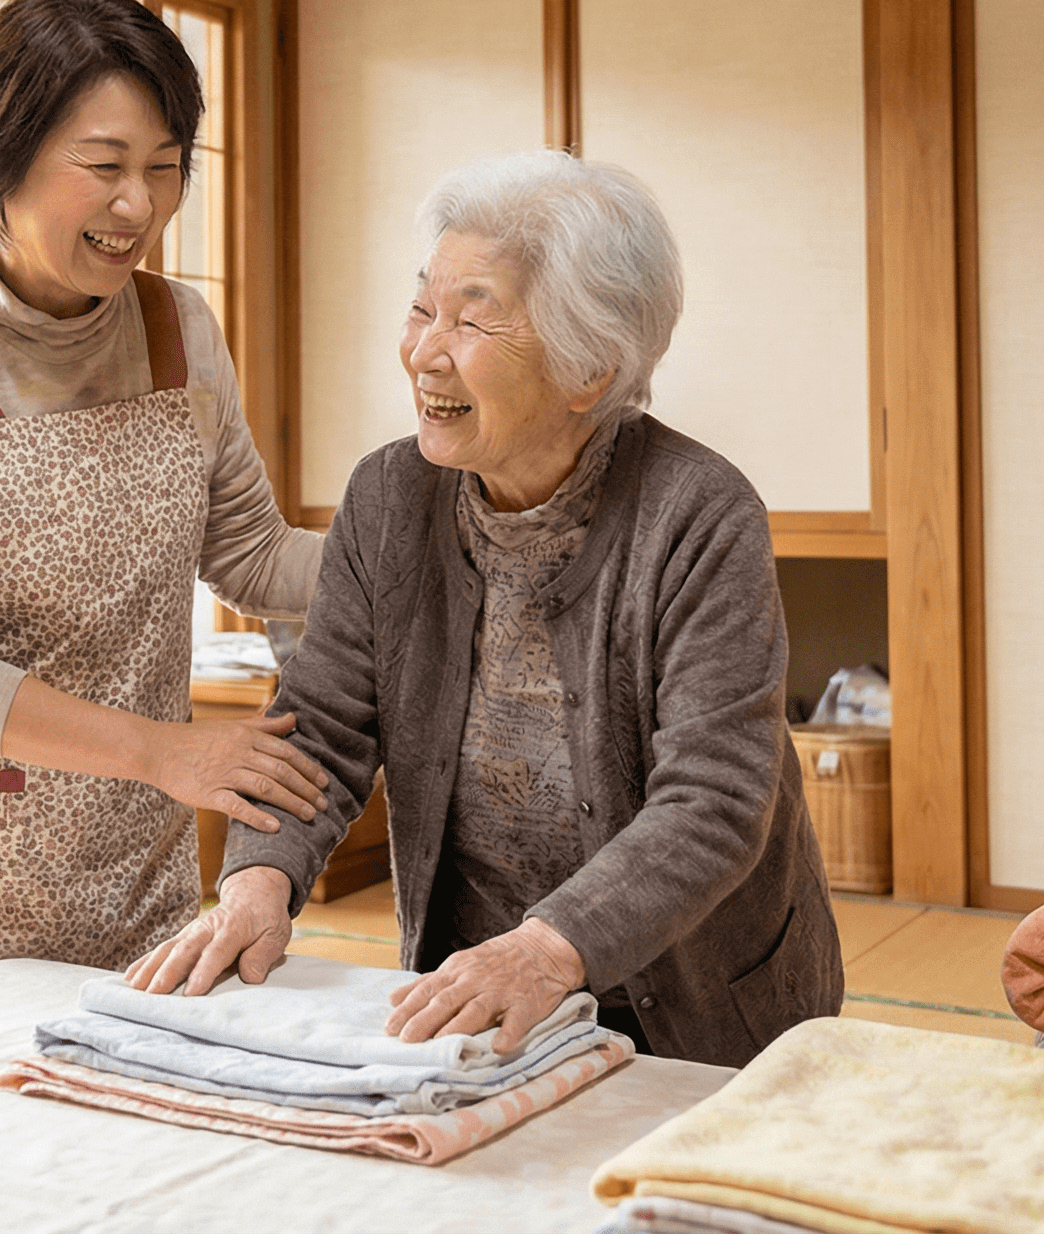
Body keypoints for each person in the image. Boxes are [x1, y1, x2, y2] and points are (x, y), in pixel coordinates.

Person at [127, 149, 843, 1067]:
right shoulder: (389, 499)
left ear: (591, 371)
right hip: (479, 1005)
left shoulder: (698, 516)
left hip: (704, 1011)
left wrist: (549, 949)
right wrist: (260, 880)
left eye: (473, 322)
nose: (424, 350)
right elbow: (324, 730)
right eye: (423, 308)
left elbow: (713, 800)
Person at [0, 0, 330, 1010]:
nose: (137, 204)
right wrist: (162, 750)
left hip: (133, 867)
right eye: (103, 167)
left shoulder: (180, 329)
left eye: (163, 169)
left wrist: (433, 529)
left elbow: (255, 558)